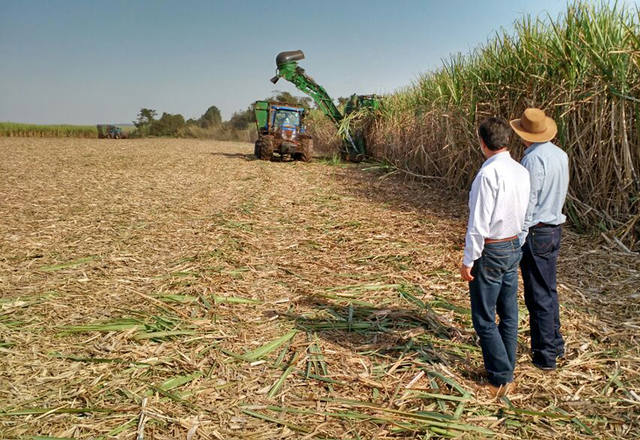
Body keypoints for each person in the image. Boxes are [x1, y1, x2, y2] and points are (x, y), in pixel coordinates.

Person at [460, 117, 530, 396]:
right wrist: (518, 243)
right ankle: (504, 366)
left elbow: (478, 223)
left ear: (482, 142)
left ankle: (501, 376)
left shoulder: (487, 175)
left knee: (484, 318)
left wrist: (468, 260)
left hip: (491, 249)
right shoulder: (520, 171)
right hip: (513, 245)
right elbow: (525, 212)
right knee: (509, 312)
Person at [510, 108, 569, 371]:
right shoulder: (560, 154)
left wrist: (519, 238)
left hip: (537, 231)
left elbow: (529, 202)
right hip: (554, 229)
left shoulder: (533, 160)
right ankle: (555, 344)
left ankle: (545, 356)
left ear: (525, 135)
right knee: (549, 290)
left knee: (538, 296)